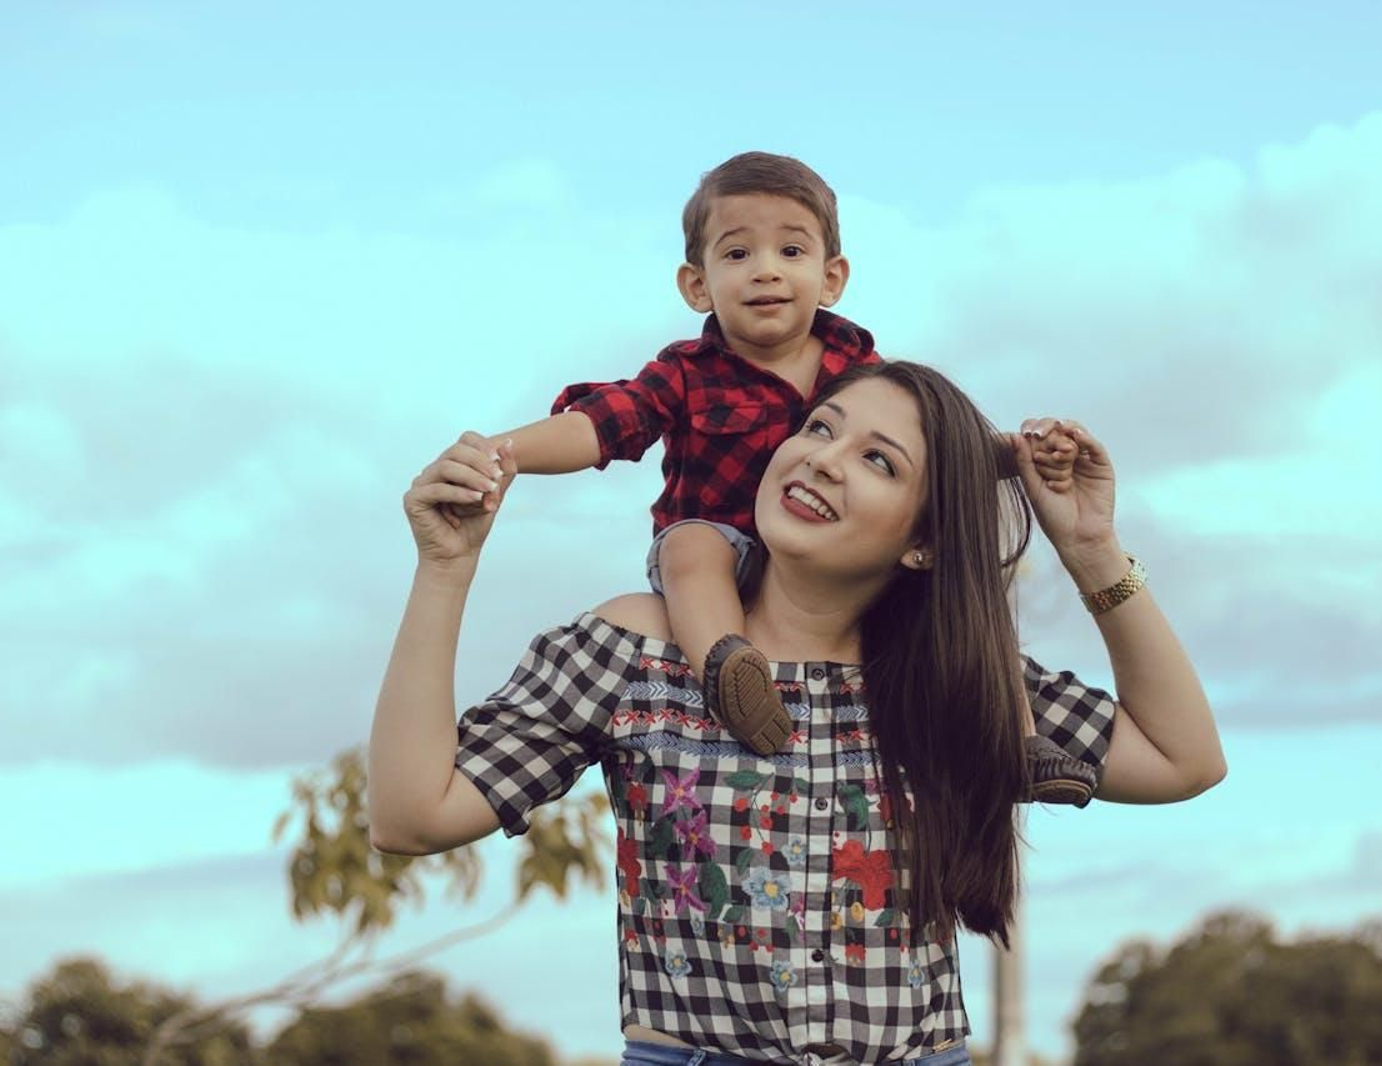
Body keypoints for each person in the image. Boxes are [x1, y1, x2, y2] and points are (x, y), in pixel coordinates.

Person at [368, 360, 1226, 1064]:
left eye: (878, 460)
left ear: (922, 540)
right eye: (820, 428)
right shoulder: (637, 646)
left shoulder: (953, 678)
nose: (822, 458)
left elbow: (1183, 759)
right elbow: (412, 813)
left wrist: (1090, 551)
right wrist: (445, 569)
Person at [473, 151, 1084, 800]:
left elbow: (926, 443)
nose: (765, 270)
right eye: (737, 255)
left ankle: (1018, 740)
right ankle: (729, 671)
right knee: (687, 545)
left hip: (827, 561)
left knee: (958, 586)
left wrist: (1018, 454)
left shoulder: (857, 365)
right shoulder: (685, 373)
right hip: (724, 555)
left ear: (831, 276)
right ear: (697, 286)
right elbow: (601, 424)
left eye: (790, 251)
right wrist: (500, 453)